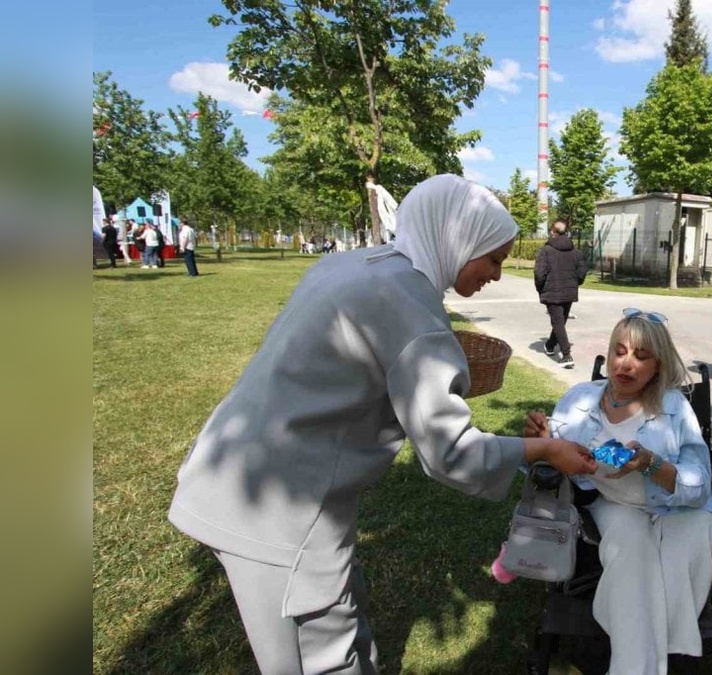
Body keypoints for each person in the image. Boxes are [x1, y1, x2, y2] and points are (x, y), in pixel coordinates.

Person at [167, 174, 598, 674]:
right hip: (281, 511)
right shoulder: (410, 305)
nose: (498, 275)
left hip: (232, 472)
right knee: (322, 658)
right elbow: (451, 453)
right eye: (495, 259)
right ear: (457, 238)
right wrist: (544, 452)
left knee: (342, 615)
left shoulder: (352, 264)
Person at [523, 308, 712, 675]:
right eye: (620, 351)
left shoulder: (676, 408)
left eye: (641, 357)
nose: (625, 364)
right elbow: (547, 466)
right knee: (631, 551)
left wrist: (651, 464)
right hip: (613, 502)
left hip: (679, 506)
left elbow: (699, 482)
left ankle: (639, 657)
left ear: (658, 367)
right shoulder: (580, 399)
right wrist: (540, 443)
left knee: (683, 551)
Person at [535, 219, 587, 369]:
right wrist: (575, 283)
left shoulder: (545, 250)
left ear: (553, 232)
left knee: (558, 322)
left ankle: (566, 355)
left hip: (552, 292)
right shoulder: (576, 251)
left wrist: (541, 288)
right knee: (560, 322)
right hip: (569, 291)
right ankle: (550, 345)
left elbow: (539, 273)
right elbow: (582, 270)